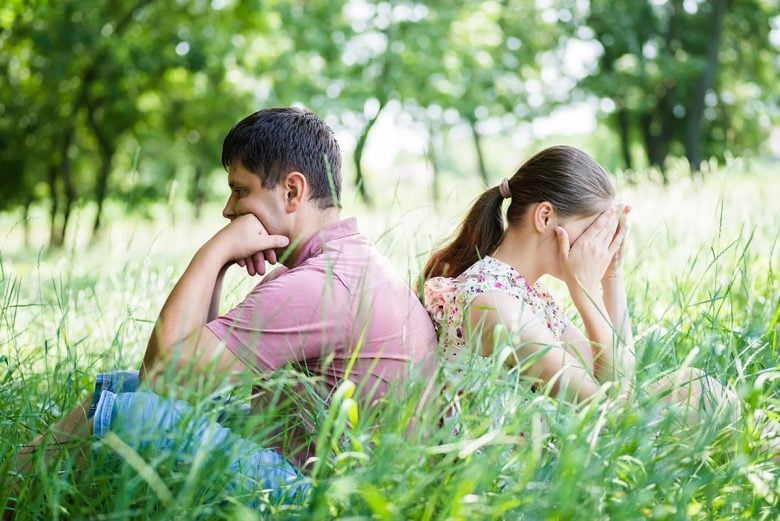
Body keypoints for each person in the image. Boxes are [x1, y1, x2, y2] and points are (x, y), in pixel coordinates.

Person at [10, 107, 438, 511]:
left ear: (292, 190)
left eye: (240, 190)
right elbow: (196, 367)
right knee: (122, 388)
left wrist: (213, 251)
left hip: (331, 502)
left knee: (132, 410)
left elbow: (164, 383)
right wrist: (220, 267)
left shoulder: (320, 285)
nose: (228, 210)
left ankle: (13, 499)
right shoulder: (337, 264)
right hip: (321, 475)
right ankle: (12, 495)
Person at [421, 145, 773, 439]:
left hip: (561, 438)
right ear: (545, 218)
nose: (599, 244)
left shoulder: (522, 291)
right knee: (705, 413)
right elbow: (607, 407)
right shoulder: (493, 302)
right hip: (512, 475)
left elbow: (617, 377)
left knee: (694, 383)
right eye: (593, 228)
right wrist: (584, 290)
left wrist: (611, 279)